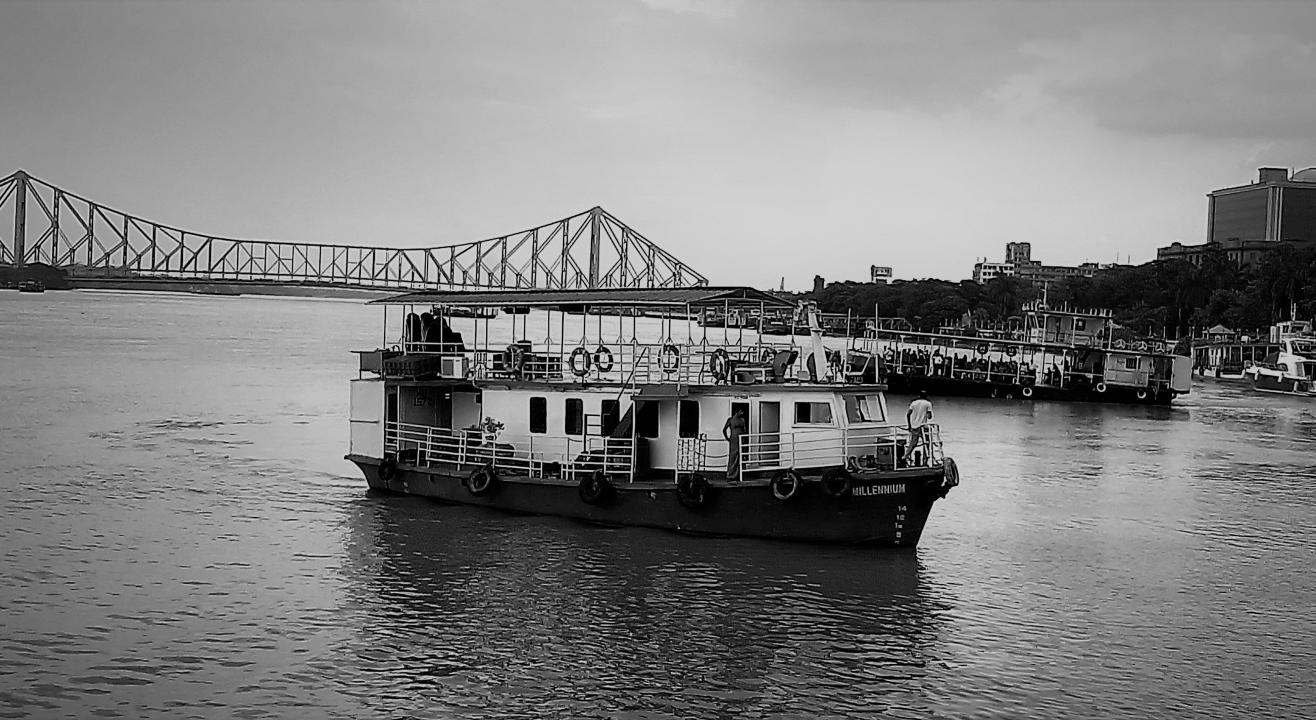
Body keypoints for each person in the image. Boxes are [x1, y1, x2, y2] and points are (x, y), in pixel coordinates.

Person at [904, 391, 934, 466]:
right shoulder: (928, 403)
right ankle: (925, 460)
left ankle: (905, 456)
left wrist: (909, 425)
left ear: (919, 396)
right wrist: (928, 414)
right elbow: (929, 416)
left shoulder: (913, 403)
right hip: (923, 427)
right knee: (926, 444)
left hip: (914, 426)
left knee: (913, 443)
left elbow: (908, 414)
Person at [723, 408, 747, 480]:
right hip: (733, 439)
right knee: (733, 456)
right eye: (741, 411)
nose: (742, 413)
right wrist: (727, 438)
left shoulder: (742, 420)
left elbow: (744, 430)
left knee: (740, 456)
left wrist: (744, 439)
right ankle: (730, 474)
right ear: (737, 412)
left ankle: (738, 475)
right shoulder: (730, 420)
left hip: (740, 439)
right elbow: (724, 430)